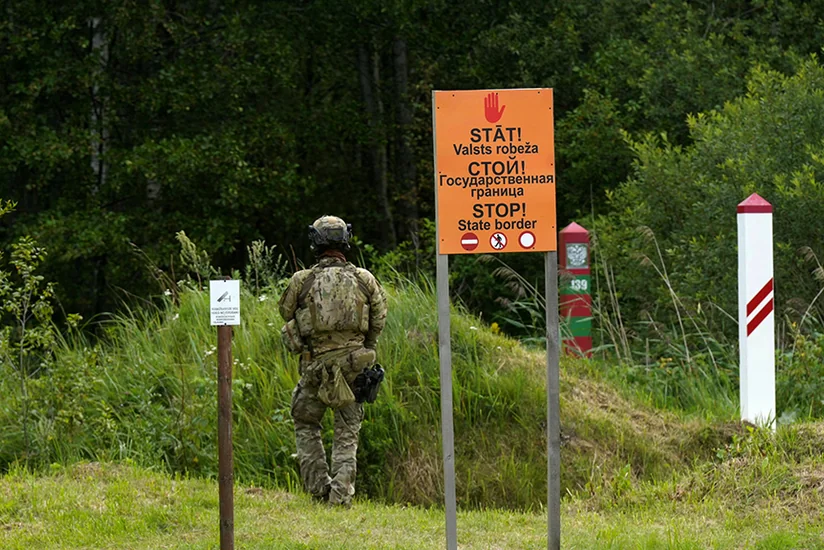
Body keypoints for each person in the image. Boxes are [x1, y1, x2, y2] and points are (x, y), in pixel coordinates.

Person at [278, 215, 387, 506]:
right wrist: (367, 348)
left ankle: (318, 489)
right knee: (347, 431)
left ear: (315, 242)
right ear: (345, 241)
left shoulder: (302, 280)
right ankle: (340, 496)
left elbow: (285, 312)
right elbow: (379, 319)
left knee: (305, 421)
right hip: (355, 366)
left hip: (315, 368)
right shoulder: (364, 278)